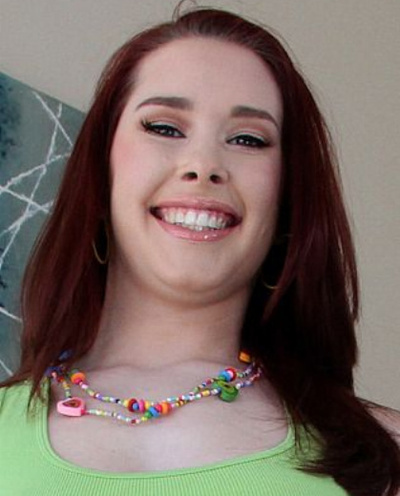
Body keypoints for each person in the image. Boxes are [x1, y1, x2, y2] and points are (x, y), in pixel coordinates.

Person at [0, 5, 399, 496]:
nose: (204, 164)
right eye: (164, 128)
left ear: (287, 201)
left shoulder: (386, 455)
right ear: (100, 173)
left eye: (248, 139)